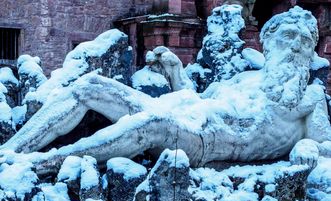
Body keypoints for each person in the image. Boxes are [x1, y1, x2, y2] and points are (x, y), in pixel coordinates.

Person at [0, 7, 330, 176]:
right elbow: (200, 97)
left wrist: (306, 149)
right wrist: (175, 71)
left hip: (206, 141)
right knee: (90, 85)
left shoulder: (307, 97)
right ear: (269, 44)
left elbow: (323, 145)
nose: (294, 47)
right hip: (187, 111)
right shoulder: (244, 80)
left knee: (150, 125)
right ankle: (10, 153)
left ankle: (39, 165)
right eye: (287, 39)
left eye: (302, 41)